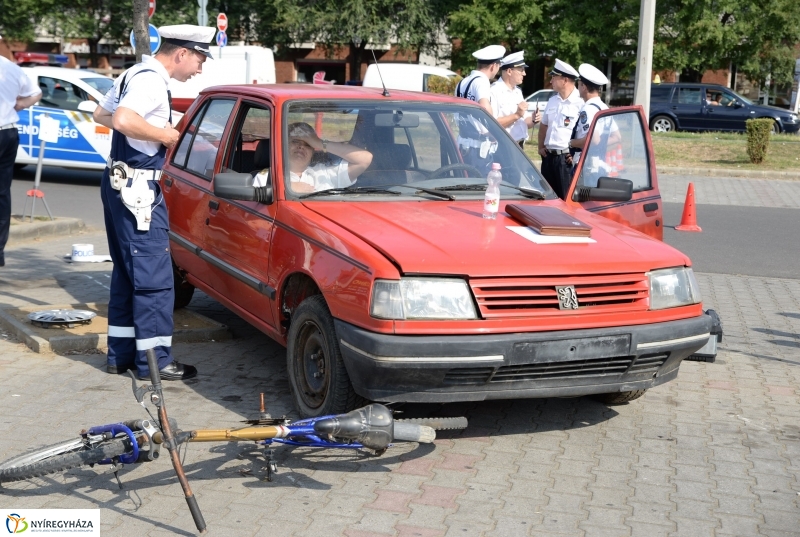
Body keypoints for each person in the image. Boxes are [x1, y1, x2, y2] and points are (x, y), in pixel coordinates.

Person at [91, 24, 215, 381]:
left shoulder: (135, 72)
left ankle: (122, 356)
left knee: (128, 275)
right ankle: (155, 364)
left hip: (120, 185)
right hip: (139, 193)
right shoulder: (149, 80)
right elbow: (122, 118)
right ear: (181, 54)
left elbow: (102, 114)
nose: (200, 69)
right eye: (199, 59)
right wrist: (164, 134)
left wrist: (148, 128)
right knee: (155, 281)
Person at [0, 52, 42, 268]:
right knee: (2, 192)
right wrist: (17, 105)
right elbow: (36, 93)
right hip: (7, 132)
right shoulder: (12, 69)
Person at [454, 44, 506, 174]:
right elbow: (485, 107)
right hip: (478, 150)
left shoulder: (462, 82)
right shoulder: (482, 81)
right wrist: (495, 132)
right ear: (493, 66)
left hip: (463, 143)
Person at [537, 59, 584, 199]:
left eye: (554, 77)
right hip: (548, 157)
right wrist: (540, 147)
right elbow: (544, 125)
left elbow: (586, 133)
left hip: (565, 160)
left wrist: (577, 155)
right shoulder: (553, 100)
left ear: (564, 80)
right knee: (547, 199)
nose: (551, 81)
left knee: (565, 199)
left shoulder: (580, 103)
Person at [286, 122, 373, 193]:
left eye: (308, 144)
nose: (301, 147)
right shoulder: (273, 175)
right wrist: (287, 186)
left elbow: (365, 159)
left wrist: (319, 143)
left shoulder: (324, 173)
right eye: (295, 141)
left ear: (313, 151)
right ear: (283, 145)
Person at [490, 51, 541, 148]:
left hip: (519, 146)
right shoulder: (494, 91)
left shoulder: (517, 91)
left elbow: (524, 122)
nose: (524, 74)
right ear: (509, 71)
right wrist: (516, 115)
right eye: (521, 70)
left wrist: (534, 119)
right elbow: (492, 124)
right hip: (503, 146)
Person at [568, 63, 611, 168]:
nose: (577, 87)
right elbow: (616, 137)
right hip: (600, 162)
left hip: (586, 165)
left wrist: (571, 143)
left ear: (584, 87)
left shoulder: (587, 109)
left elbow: (594, 139)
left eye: (579, 84)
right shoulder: (604, 107)